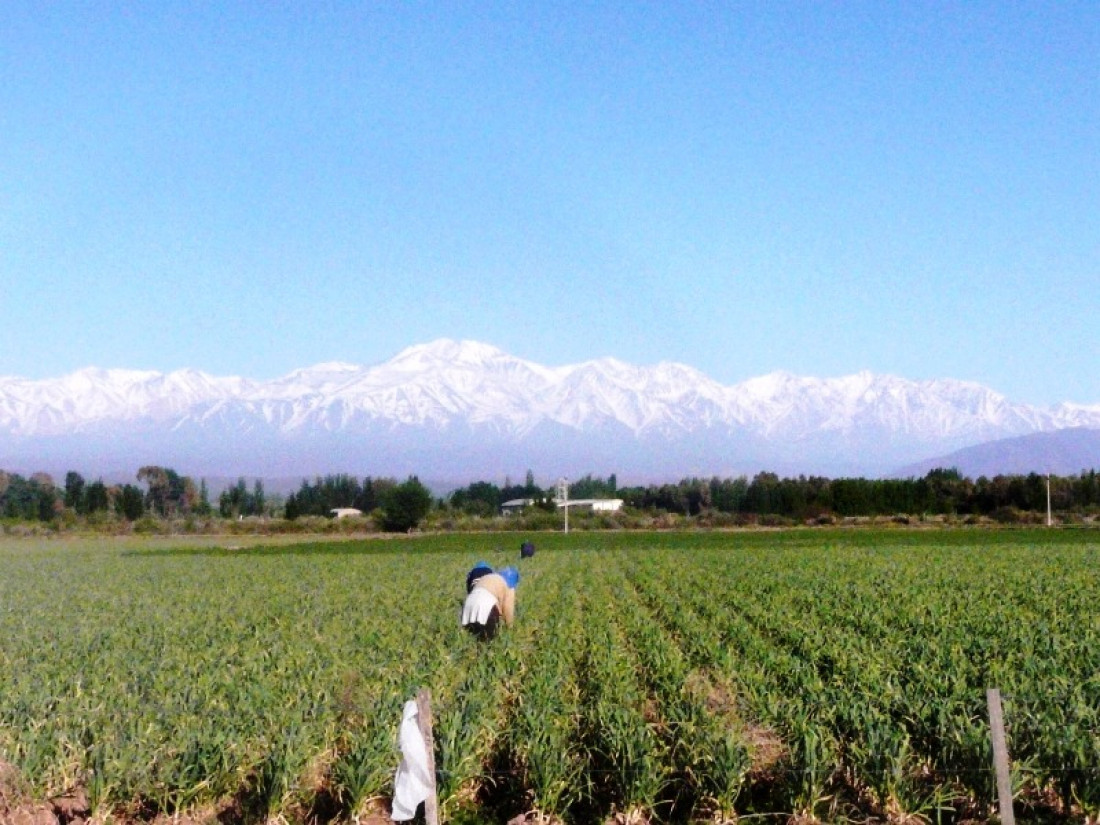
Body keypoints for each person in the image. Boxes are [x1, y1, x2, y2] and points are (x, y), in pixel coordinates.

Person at [461, 564, 519, 640]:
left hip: (468, 603)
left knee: (471, 636)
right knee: (489, 640)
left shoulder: (489, 577)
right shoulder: (509, 586)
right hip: (487, 605)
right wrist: (509, 628)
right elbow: (508, 609)